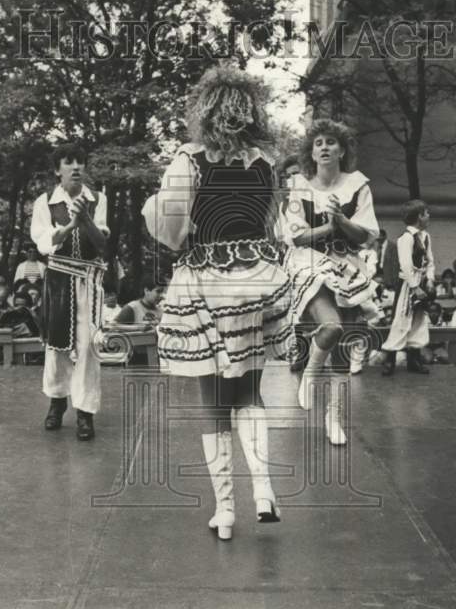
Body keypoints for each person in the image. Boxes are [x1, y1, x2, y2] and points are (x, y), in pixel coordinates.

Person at [143, 65, 291, 540]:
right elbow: (273, 225)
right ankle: (264, 490)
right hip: (256, 279)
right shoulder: (266, 164)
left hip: (207, 281)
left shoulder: (189, 160)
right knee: (249, 391)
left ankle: (225, 511)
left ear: (204, 112)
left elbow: (170, 233)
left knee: (214, 403)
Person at [283, 118, 380, 445]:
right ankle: (309, 374)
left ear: (342, 150)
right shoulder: (299, 185)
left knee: (343, 348)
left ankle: (333, 418)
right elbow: (295, 238)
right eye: (318, 142)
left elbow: (365, 236)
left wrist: (341, 220)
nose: (324, 147)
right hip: (308, 262)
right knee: (332, 327)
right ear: (311, 152)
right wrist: (328, 228)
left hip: (347, 263)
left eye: (331, 142)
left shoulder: (358, 185)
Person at [30, 143, 109, 440]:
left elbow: (102, 244)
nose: (76, 167)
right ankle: (57, 402)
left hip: (88, 280)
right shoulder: (45, 201)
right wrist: (68, 226)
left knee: (88, 346)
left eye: (80, 162)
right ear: (57, 169)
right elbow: (42, 243)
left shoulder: (97, 198)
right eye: (69, 162)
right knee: (57, 345)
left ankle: (85, 412)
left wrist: (85, 221)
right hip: (59, 280)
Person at [380, 200, 435, 376]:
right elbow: (405, 264)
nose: (429, 216)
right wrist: (415, 286)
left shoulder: (425, 236)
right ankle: (390, 360)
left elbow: (430, 260)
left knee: (418, 320)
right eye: (426, 213)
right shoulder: (406, 238)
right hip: (407, 284)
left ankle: (414, 359)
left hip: (422, 282)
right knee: (402, 319)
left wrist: (431, 279)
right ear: (419, 216)